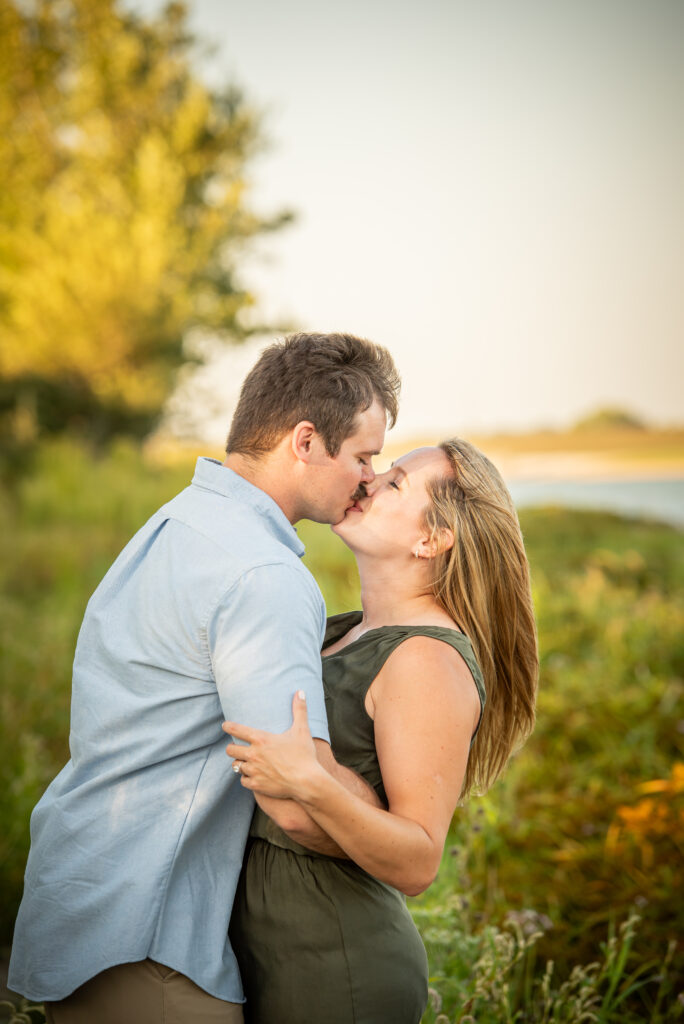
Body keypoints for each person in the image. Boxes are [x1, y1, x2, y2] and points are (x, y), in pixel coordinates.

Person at [8, 332, 401, 1024]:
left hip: (87, 896)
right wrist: (401, 843)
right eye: (364, 456)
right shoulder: (267, 575)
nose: (370, 477)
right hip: (151, 936)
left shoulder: (177, 521)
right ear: (305, 441)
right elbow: (291, 798)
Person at [223, 438, 539, 1024]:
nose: (368, 480)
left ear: (431, 540)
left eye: (394, 483)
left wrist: (311, 783)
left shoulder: (426, 659)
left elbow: (418, 861)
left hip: (333, 967)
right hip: (264, 947)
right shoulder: (345, 629)